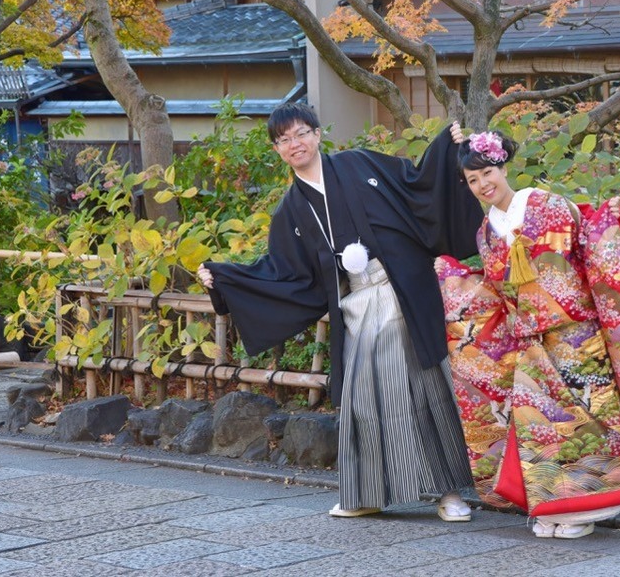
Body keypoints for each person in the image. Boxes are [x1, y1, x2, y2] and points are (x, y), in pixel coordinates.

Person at [197, 102, 484, 522]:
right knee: (361, 403)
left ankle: (448, 492)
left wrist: (447, 147)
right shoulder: (291, 208)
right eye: (284, 140)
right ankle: (367, 492)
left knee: (424, 392)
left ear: (317, 134)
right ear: (276, 150)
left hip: (401, 290)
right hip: (356, 305)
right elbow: (281, 271)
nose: (294, 144)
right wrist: (225, 279)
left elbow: (416, 184)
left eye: (301, 134)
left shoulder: (358, 163)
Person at [436, 130, 620, 539]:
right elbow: (495, 292)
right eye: (473, 180)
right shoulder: (485, 232)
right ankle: (554, 506)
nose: (483, 185)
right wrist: (454, 281)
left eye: (488, 173)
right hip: (529, 343)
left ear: (503, 166)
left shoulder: (547, 204)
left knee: (590, 420)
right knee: (543, 427)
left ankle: (592, 506)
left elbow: (586, 254)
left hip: (575, 333)